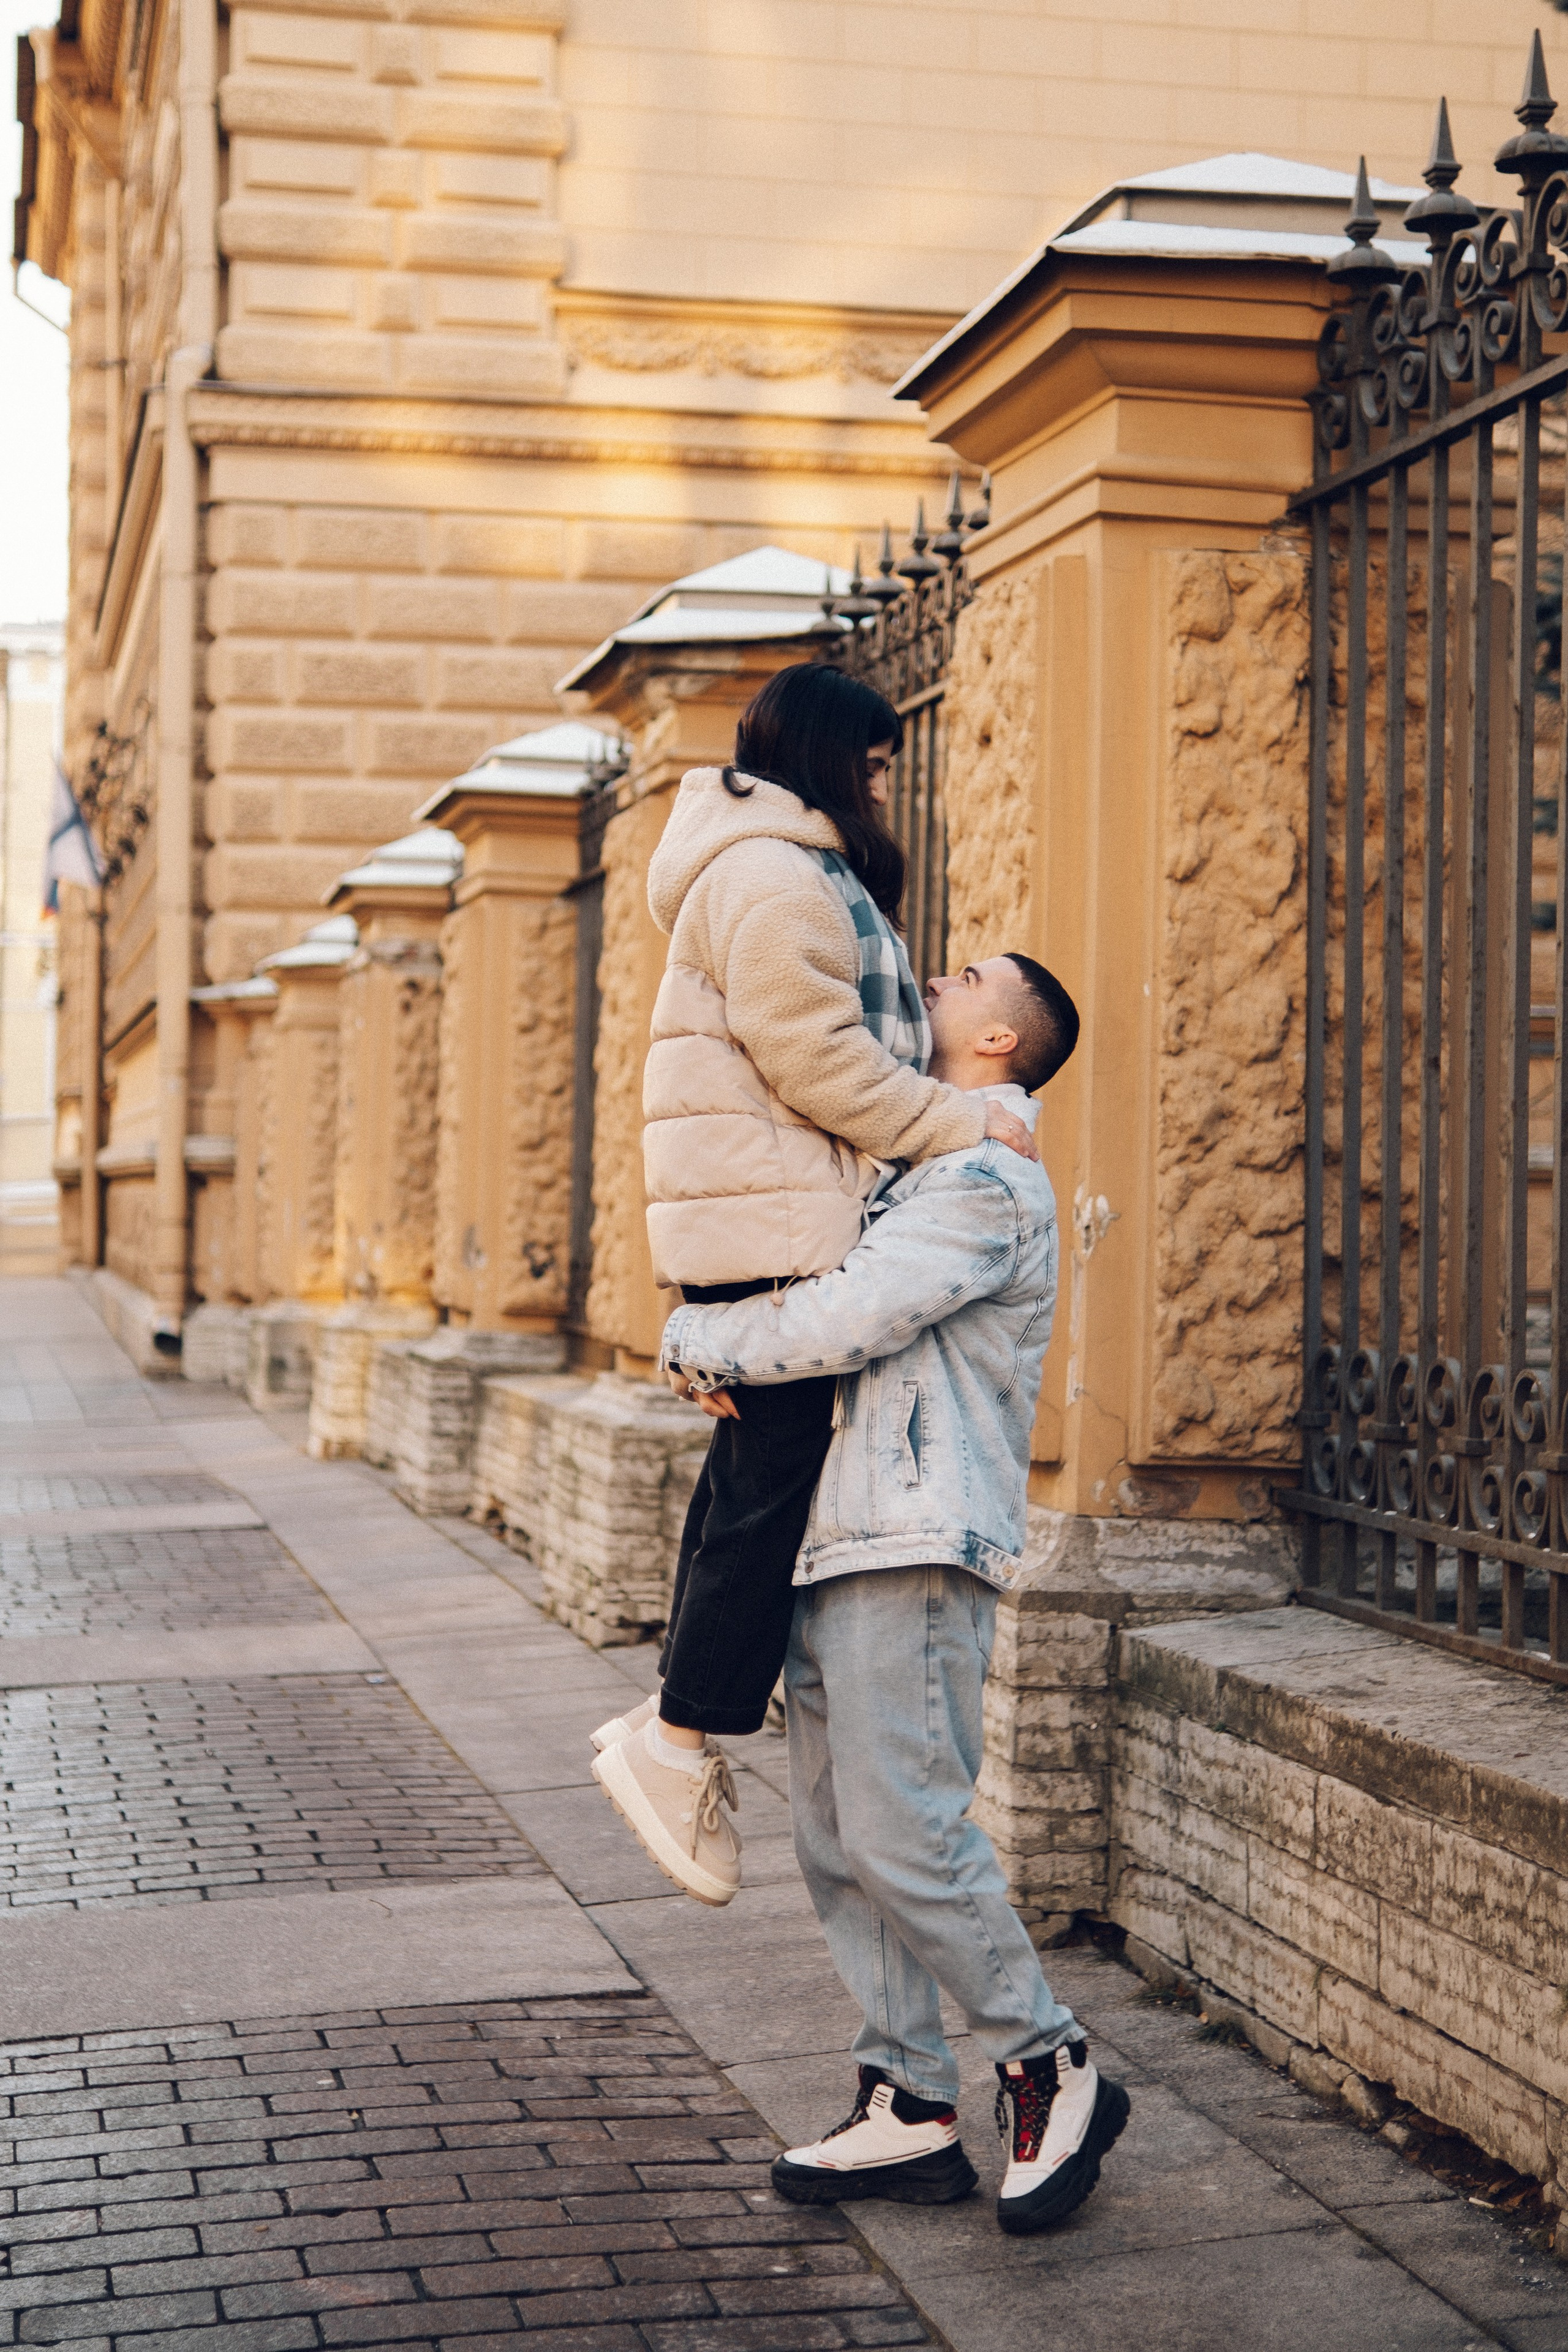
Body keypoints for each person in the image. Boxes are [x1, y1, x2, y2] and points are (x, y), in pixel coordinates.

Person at [622, 949, 1131, 2238]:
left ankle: (1049, 2057)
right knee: (838, 1843)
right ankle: (907, 2101)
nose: (936, 977)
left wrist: (695, 1341)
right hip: (830, 1533)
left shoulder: (986, 1180)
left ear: (1003, 1040)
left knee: (906, 1836)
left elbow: (846, 1316)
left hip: (910, 1538)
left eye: (968, 974)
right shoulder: (911, 1160)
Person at [590, 662, 1036, 1893]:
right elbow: (816, 1062)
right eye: (876, 764)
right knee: (762, 1502)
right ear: (831, 756)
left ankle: (671, 1726)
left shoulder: (776, 867)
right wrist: (963, 1121)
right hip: (770, 1225)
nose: (884, 786)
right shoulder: (776, 877)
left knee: (751, 1488)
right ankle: (679, 1737)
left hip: (762, 1218)